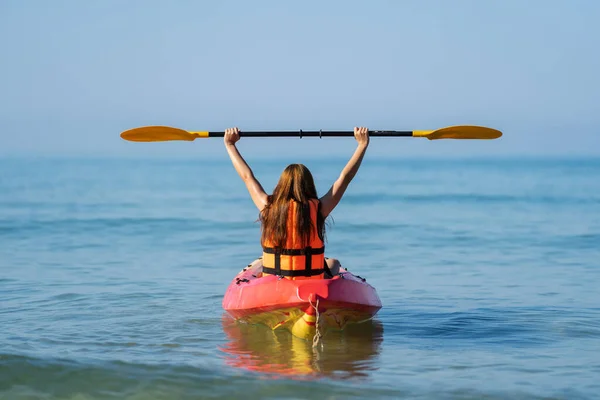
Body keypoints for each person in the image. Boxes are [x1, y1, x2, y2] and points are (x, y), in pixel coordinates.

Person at [224, 126, 370, 279]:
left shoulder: (267, 206)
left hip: (273, 285)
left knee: (258, 263)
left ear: (282, 185)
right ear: (309, 185)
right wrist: (362, 144)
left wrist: (230, 145)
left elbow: (248, 177)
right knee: (333, 263)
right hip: (311, 285)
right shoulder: (319, 208)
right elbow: (345, 178)